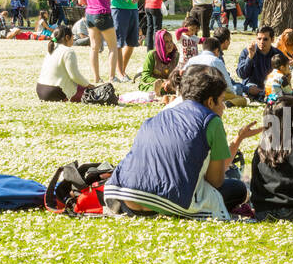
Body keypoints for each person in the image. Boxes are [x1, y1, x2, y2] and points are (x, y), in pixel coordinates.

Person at [103, 65, 262, 219]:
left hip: (126, 197)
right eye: (221, 101)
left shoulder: (161, 115)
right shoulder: (211, 121)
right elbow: (215, 181)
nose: (223, 107)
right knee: (238, 188)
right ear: (210, 102)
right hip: (171, 201)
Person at [77, 0, 124, 84]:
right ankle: (112, 77)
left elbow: (81, 0)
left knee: (94, 47)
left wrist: (93, 2)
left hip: (90, 15)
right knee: (113, 47)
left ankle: (96, 77)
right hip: (102, 14)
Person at [185, 27, 245, 104]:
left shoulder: (192, 59)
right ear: (217, 50)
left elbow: (183, 74)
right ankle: (229, 103)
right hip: (210, 94)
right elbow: (227, 82)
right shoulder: (216, 61)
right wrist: (234, 93)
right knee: (239, 93)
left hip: (193, 93)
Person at [36, 26, 94, 102]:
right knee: (92, 93)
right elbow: (74, 76)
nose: (73, 39)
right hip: (55, 91)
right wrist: (88, 85)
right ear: (67, 37)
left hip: (40, 90)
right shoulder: (68, 51)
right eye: (73, 37)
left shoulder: (51, 49)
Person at [235, 26, 279, 102]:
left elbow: (284, 74)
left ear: (272, 40)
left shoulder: (277, 54)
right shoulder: (247, 51)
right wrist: (250, 57)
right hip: (252, 87)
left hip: (271, 87)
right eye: (259, 39)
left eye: (265, 39)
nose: (262, 42)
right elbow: (242, 74)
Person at [140, 29, 181, 97]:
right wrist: (162, 82)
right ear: (160, 43)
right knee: (154, 88)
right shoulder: (152, 55)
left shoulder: (176, 56)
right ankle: (157, 91)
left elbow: (179, 74)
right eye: (166, 42)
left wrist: (171, 82)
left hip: (171, 84)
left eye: (171, 41)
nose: (170, 44)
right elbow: (145, 77)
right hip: (153, 83)